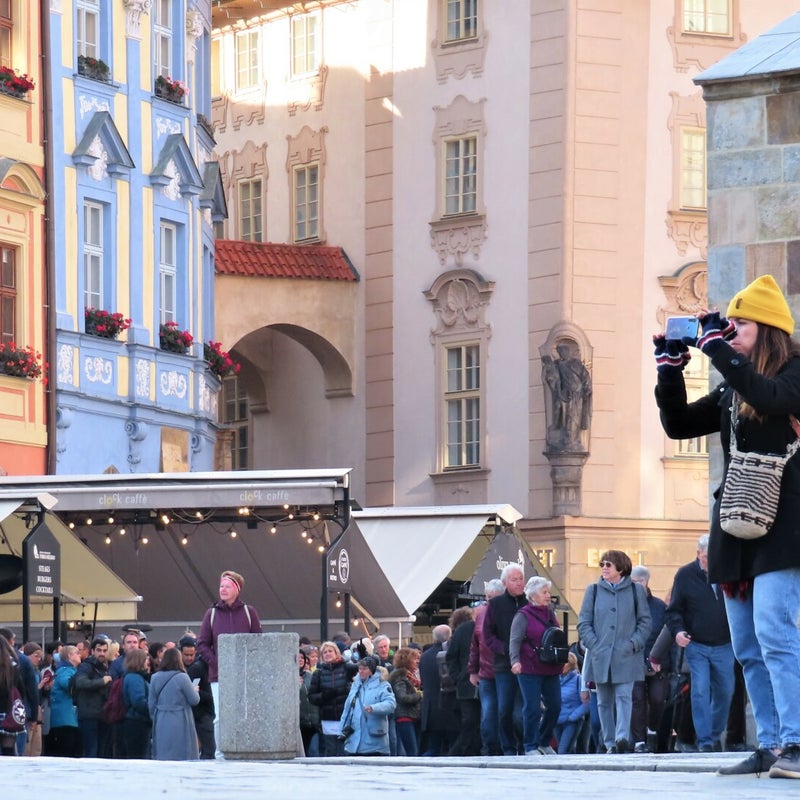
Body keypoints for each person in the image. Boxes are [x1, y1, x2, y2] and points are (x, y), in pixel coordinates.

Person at [655, 274, 800, 778]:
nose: (730, 330)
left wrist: (718, 350)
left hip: (786, 529)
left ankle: (797, 744)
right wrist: (670, 371)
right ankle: (773, 744)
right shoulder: (732, 388)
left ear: (769, 329)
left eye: (740, 324)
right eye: (729, 324)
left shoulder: (794, 373)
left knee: (775, 634)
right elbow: (678, 425)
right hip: (735, 530)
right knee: (748, 648)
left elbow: (772, 396)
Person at [665, 535, 735, 754]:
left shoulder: (727, 570)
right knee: (700, 691)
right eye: (706, 557)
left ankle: (714, 734)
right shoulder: (685, 575)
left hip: (725, 644)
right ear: (698, 554)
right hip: (696, 644)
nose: (710, 561)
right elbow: (673, 609)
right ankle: (705, 741)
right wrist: (678, 632)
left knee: (725, 691)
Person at [577, 550, 651, 754]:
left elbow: (645, 622)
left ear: (620, 567)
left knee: (624, 697)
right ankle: (609, 742)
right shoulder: (593, 590)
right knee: (603, 701)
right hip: (600, 656)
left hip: (626, 655)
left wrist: (633, 643)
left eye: (608, 564)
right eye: (602, 564)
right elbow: (583, 622)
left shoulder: (635, 591)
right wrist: (594, 644)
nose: (604, 568)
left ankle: (621, 738)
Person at [197, 569, 261, 759]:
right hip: (219, 675)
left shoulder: (249, 612)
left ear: (237, 589)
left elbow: (258, 641)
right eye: (221, 586)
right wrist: (216, 662)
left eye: (227, 586)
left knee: (245, 714)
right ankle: (220, 753)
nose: (222, 589)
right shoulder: (212, 614)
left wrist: (249, 664)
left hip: (244, 675)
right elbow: (202, 643)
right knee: (220, 717)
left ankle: (244, 749)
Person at [509, 576, 563, 755]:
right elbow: (514, 640)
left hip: (551, 667)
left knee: (555, 705)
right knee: (532, 707)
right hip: (529, 668)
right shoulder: (523, 615)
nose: (548, 595)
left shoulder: (550, 614)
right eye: (544, 592)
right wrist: (514, 661)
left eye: (548, 592)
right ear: (533, 596)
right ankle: (530, 745)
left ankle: (544, 740)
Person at [483, 564, 527, 755]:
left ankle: (526, 745)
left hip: (528, 664)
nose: (518, 583)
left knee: (522, 712)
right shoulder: (496, 604)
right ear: (504, 583)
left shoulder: (530, 602)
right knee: (505, 710)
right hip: (503, 665)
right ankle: (508, 748)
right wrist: (506, 650)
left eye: (520, 579)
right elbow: (488, 635)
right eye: (514, 579)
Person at [630, 565, 670, 753]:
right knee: (636, 699)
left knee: (657, 699)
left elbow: (666, 634)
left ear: (644, 582)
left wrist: (662, 660)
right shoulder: (626, 605)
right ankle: (639, 741)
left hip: (657, 662)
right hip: (633, 661)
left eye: (634, 582)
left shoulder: (660, 607)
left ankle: (652, 732)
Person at [468, 578, 504, 756]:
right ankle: (490, 748)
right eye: (488, 597)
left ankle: (505, 747)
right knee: (489, 713)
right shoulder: (482, 613)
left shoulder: (508, 611)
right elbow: (475, 644)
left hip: (504, 670)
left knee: (506, 712)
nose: (489, 601)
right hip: (487, 672)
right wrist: (473, 670)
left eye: (493, 597)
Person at [148, 647, 200, 760]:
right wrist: (195, 690)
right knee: (182, 753)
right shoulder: (183, 677)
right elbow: (194, 700)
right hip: (181, 719)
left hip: (161, 718)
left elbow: (151, 705)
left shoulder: (154, 677)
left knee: (163, 752)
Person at [307, 640, 357, 757]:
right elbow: (312, 697)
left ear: (336, 653)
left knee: (344, 751)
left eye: (330, 651)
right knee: (330, 751)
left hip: (345, 718)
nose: (328, 653)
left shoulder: (346, 668)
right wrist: (326, 695)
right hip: (327, 718)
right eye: (325, 652)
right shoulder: (318, 673)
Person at [339, 655, 396, 756]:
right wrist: (341, 730)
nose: (361, 671)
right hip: (353, 743)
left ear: (372, 670)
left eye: (365, 669)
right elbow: (347, 709)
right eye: (360, 668)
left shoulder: (383, 684)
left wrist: (374, 708)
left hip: (375, 742)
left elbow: (391, 704)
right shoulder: (355, 685)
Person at [445, 606, 481, 756]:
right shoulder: (463, 631)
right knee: (470, 721)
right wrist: (458, 677)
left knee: (479, 721)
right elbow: (451, 656)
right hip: (466, 683)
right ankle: (467, 752)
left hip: (483, 681)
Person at [418, 624, 459, 756]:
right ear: (449, 636)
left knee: (433, 747)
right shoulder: (450, 654)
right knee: (454, 746)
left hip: (430, 708)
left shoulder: (424, 656)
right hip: (449, 706)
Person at [73, 636, 113, 757]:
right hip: (89, 716)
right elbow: (81, 683)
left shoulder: (105, 668)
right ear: (92, 651)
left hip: (102, 716)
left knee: (101, 753)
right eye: (99, 650)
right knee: (92, 752)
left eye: (104, 651)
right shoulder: (86, 666)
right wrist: (102, 681)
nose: (102, 653)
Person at [179, 635, 215, 759]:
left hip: (201, 715)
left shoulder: (198, 667)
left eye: (191, 654)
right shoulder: (197, 668)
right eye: (186, 655)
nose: (189, 658)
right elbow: (194, 693)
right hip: (201, 716)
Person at [43, 645, 82, 758]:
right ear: (69, 656)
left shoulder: (68, 670)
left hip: (66, 717)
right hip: (64, 718)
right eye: (77, 652)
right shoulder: (66, 670)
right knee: (67, 751)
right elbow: (67, 685)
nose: (80, 655)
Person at [388, 647, 422, 756]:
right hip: (405, 717)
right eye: (415, 659)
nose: (417, 661)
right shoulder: (400, 677)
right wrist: (420, 695)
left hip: (412, 716)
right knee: (412, 751)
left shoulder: (410, 676)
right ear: (407, 660)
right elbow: (402, 697)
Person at [554, 652, 589, 754]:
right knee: (565, 752)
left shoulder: (578, 679)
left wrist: (573, 717)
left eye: (564, 663)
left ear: (571, 664)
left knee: (562, 751)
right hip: (556, 722)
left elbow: (587, 703)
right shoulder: (554, 680)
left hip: (571, 722)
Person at [121, 648, 151, 759]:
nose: (147, 662)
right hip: (138, 723)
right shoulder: (135, 678)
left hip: (136, 721)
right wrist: (152, 711)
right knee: (138, 756)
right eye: (145, 659)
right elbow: (138, 702)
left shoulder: (134, 677)